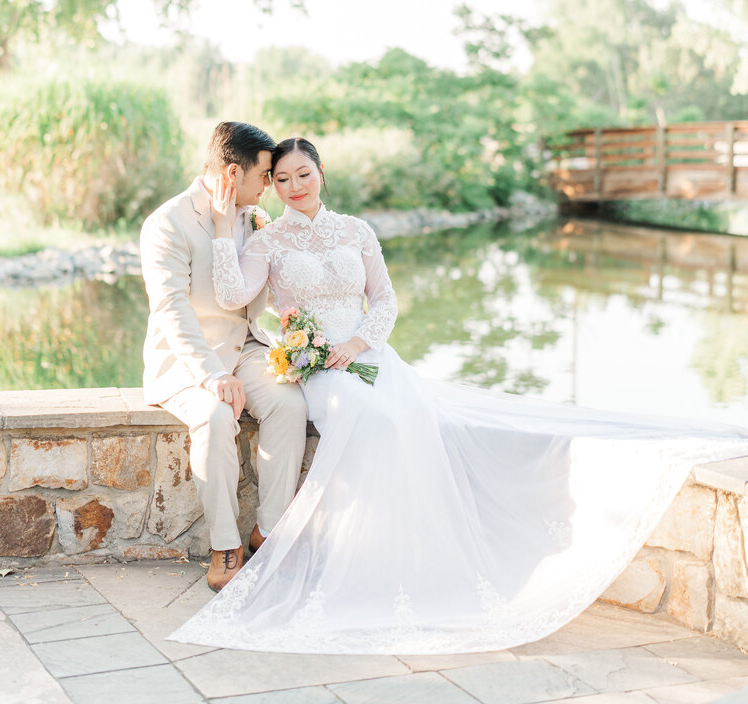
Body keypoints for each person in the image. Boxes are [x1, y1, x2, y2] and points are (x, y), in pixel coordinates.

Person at [171, 136, 748, 655]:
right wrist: (223, 227)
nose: (294, 186)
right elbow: (232, 294)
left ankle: (410, 556)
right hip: (319, 368)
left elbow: (385, 300)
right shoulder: (268, 239)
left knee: (411, 412)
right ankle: (366, 559)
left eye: (304, 174)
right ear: (272, 186)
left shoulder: (357, 231)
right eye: (281, 179)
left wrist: (358, 342)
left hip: (368, 355)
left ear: (322, 173)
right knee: (368, 416)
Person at [140, 121, 308, 590]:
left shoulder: (254, 218)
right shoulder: (167, 223)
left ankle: (268, 533)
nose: (269, 185)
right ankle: (225, 546)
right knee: (215, 417)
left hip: (247, 347)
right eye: (265, 175)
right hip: (187, 361)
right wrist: (212, 375)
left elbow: (260, 289)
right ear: (233, 173)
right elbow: (171, 309)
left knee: (289, 404)